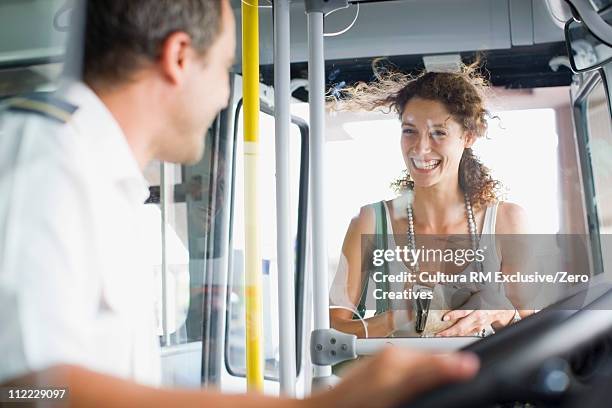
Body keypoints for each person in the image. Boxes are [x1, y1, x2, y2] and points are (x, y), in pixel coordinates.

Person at [0, 1, 479, 407]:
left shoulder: (103, 180)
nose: (226, 92)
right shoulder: (43, 159)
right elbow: (29, 388)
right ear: (180, 58)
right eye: (226, 67)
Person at [329, 64, 533, 339]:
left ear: (468, 137)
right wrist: (402, 318)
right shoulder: (370, 222)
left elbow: (534, 328)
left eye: (439, 133)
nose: (420, 148)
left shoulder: (507, 221)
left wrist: (500, 313)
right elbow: (333, 331)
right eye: (409, 131)